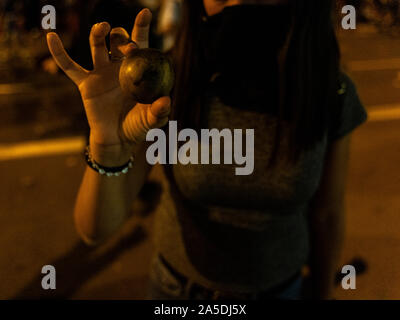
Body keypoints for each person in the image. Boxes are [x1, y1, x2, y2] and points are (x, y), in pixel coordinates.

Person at [46, 0, 368, 300]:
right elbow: (95, 229)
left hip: (282, 290)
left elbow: (327, 214)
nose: (237, 3)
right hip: (178, 293)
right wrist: (108, 144)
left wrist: (323, 291)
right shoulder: (168, 82)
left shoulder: (329, 90)